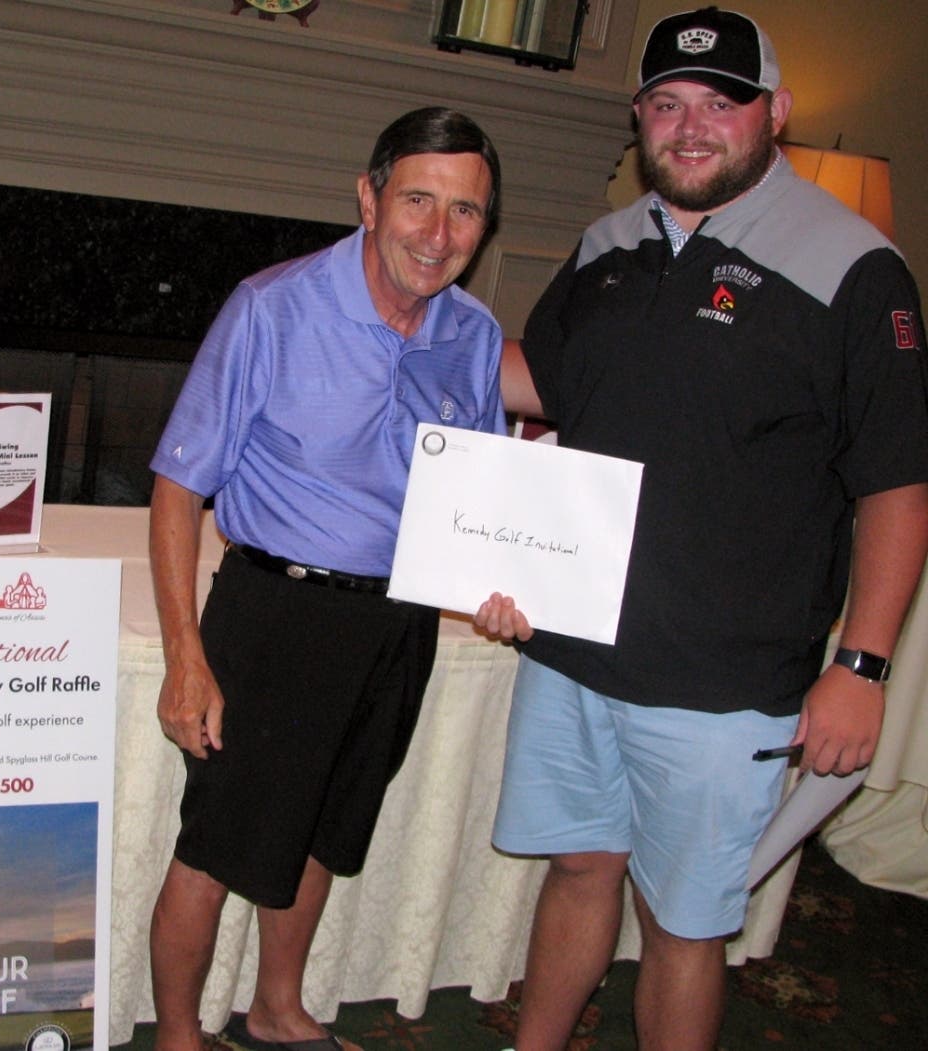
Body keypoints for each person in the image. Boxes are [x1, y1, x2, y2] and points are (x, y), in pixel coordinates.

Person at [475, 8, 928, 1050]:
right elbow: (544, 384)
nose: (691, 126)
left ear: (774, 113)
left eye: (721, 103)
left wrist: (860, 664)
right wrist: (396, 329)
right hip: (576, 649)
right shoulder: (607, 243)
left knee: (683, 923)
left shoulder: (856, 267)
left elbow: (898, 486)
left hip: (726, 681)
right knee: (579, 869)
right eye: (668, 104)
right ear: (639, 118)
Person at [147, 107, 505, 1051]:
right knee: (215, 847)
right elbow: (178, 487)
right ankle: (180, 1037)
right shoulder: (273, 306)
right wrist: (186, 653)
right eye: (419, 201)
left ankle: (276, 1010)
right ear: (369, 196)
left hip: (397, 624)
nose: (439, 234)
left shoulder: (472, 336)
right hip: (274, 612)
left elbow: (484, 496)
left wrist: (501, 584)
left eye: (465, 211)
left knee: (321, 831)